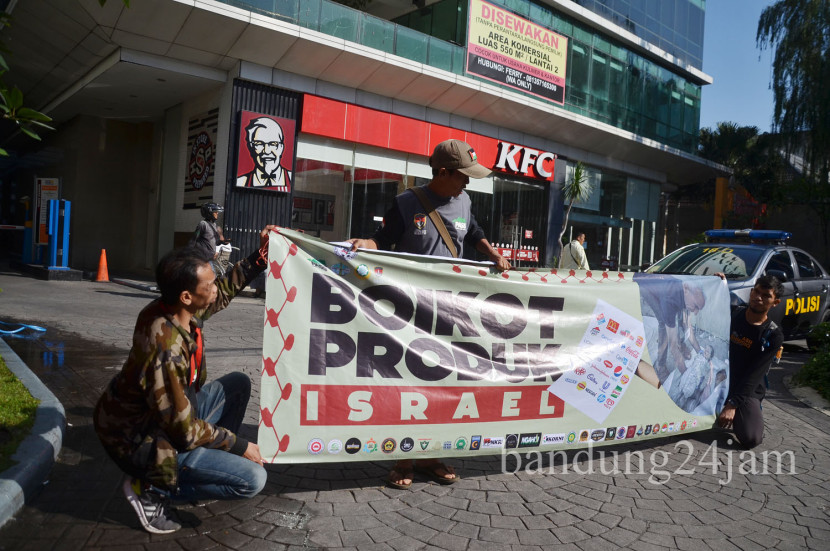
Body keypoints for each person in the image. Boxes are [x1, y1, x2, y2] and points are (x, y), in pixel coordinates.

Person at [348, 138, 511, 489]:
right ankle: (403, 458)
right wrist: (366, 245)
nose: (466, 182)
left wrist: (492, 252)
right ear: (442, 172)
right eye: (461, 176)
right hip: (410, 313)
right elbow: (383, 238)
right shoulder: (406, 204)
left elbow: (476, 233)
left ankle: (430, 454)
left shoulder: (465, 200)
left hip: (451, 312)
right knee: (412, 383)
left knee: (445, 382)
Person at [93, 225, 276, 534]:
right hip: (143, 441)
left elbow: (224, 291)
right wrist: (240, 445)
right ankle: (154, 490)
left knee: (237, 385)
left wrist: (260, 258)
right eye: (209, 283)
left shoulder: (177, 310)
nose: (216, 286)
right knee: (252, 480)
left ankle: (203, 467)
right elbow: (184, 431)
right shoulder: (165, 349)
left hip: (165, 419)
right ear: (187, 295)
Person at [717, 274, 784, 448]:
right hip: (719, 376)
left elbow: (754, 376)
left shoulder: (773, 335)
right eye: (756, 291)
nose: (757, 297)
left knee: (751, 437)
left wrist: (733, 404)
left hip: (747, 387)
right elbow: (706, 305)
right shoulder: (733, 313)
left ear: (775, 302)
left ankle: (742, 410)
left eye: (766, 295)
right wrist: (715, 284)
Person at [634, 273, 705, 380]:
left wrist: (700, 352)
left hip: (663, 286)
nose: (696, 312)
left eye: (698, 308)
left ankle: (681, 345)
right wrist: (686, 374)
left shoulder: (687, 294)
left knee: (682, 319)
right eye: (695, 306)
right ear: (686, 290)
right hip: (647, 287)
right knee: (663, 322)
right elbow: (672, 348)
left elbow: (688, 327)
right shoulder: (669, 302)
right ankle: (660, 366)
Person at [236, 116, 292, 190]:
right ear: (251, 148)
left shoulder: (292, 179)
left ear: (281, 148)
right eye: (259, 143)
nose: (267, 151)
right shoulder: (241, 182)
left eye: (273, 144)